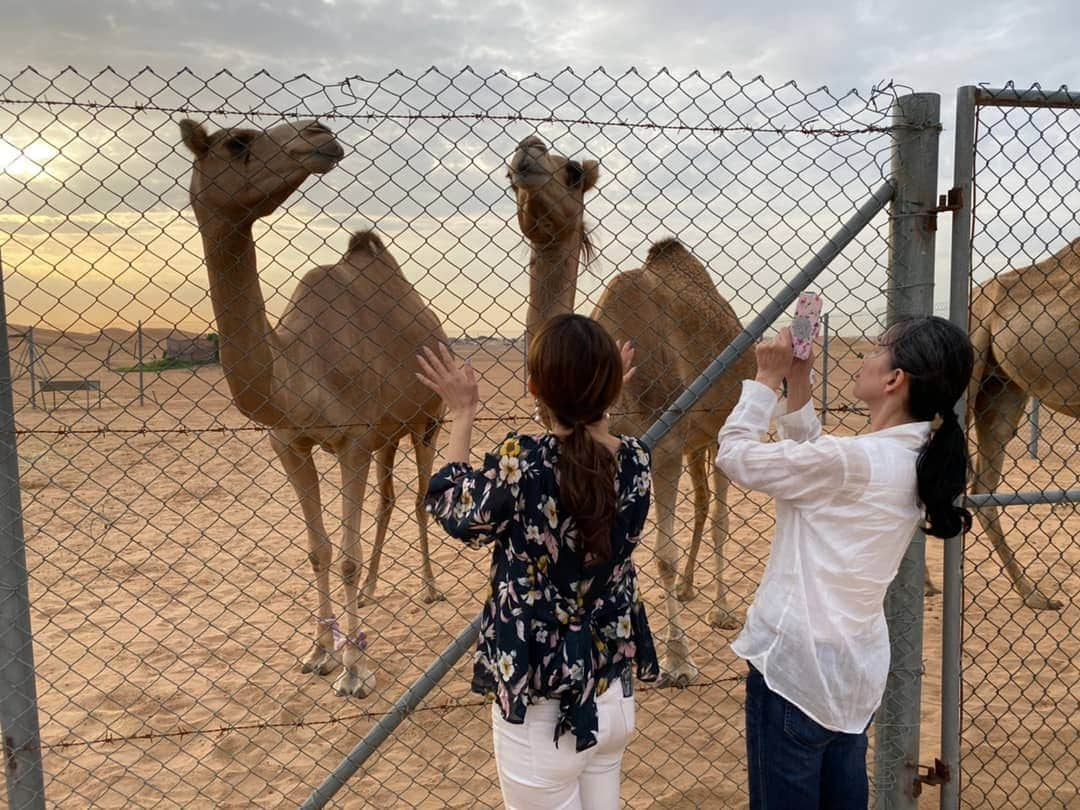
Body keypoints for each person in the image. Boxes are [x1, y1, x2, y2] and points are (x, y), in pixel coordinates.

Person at [715, 315, 975, 810]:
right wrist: (802, 381)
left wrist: (766, 380)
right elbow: (818, 467)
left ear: (895, 379)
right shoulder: (917, 459)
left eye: (878, 348)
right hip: (851, 677)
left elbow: (735, 456)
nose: (864, 356)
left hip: (794, 673)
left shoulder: (853, 461)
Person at [416, 313, 660, 810]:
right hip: (610, 694)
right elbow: (588, 458)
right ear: (612, 388)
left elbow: (454, 506)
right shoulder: (636, 461)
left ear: (533, 387)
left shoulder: (521, 463)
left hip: (541, 707)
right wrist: (600, 395)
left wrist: (462, 412)